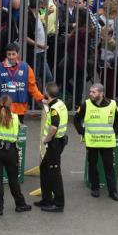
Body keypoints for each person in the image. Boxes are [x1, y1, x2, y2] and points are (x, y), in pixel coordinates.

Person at [73, 83, 118, 201]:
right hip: (92, 142)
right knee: (93, 165)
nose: (90, 94)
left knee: (109, 167)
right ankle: (95, 188)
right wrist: (82, 132)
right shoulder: (86, 104)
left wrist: (114, 133)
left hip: (107, 142)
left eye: (93, 92)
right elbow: (76, 119)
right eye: (90, 92)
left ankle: (113, 191)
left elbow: (117, 120)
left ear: (101, 93)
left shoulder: (113, 104)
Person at [0, 42, 47, 115]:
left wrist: (41, 98)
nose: (11, 57)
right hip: (3, 109)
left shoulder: (26, 68)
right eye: (9, 54)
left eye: (13, 54)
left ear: (18, 54)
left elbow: (32, 87)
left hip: (20, 109)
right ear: (6, 54)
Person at [37, 83, 69, 212]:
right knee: (44, 168)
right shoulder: (59, 103)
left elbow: (54, 127)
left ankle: (59, 203)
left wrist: (46, 139)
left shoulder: (54, 109)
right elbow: (51, 103)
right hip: (59, 141)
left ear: (46, 92)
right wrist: (46, 102)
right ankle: (46, 199)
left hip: (54, 143)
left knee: (54, 173)